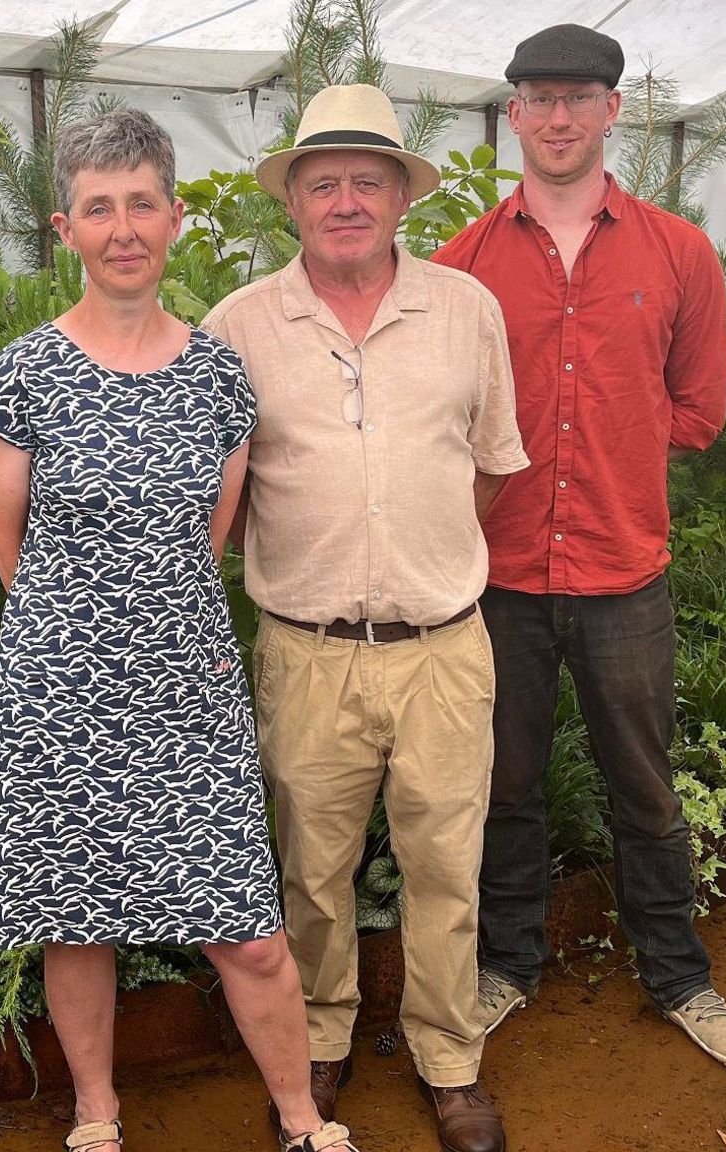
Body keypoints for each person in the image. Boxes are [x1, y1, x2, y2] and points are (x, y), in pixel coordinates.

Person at [0, 108, 361, 1152]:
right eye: (99, 207)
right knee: (74, 921)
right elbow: (6, 546)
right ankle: (97, 1111)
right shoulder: (20, 377)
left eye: (142, 202)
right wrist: (85, 634)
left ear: (175, 218)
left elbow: (210, 537)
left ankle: (299, 1117)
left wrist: (145, 629)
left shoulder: (217, 379)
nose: (123, 227)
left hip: (188, 698)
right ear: (65, 228)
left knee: (249, 931)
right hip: (60, 698)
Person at [430, 23, 726, 1071]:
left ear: (611, 110)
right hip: (499, 579)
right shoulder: (462, 265)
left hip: (626, 576)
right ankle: (504, 968)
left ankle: (678, 977)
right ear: (514, 116)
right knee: (503, 789)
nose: (558, 117)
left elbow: (698, 407)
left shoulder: (677, 252)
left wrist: (614, 440)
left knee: (645, 788)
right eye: (538, 98)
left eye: (578, 97)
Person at [203, 85, 529, 1152]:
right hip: (306, 652)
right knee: (310, 870)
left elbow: (487, 470)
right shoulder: (237, 326)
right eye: (323, 183)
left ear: (400, 197)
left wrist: (418, 563)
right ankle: (321, 1041)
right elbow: (218, 496)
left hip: (442, 648)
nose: (346, 201)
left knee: (445, 864)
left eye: (367, 182)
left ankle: (447, 1059)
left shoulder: (465, 311)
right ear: (292, 201)